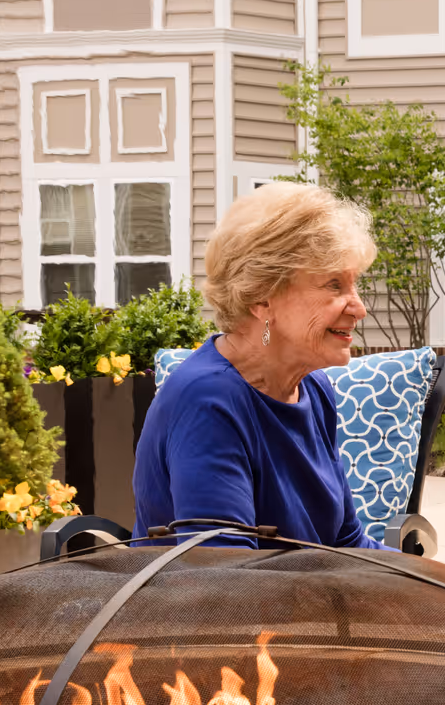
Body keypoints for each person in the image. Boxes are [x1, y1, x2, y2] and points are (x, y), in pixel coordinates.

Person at [133, 181, 384, 549]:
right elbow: (227, 582)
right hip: (216, 605)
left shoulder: (313, 389)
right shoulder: (208, 403)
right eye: (334, 285)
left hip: (300, 599)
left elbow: (348, 544)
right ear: (262, 298)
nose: (358, 307)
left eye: (354, 285)